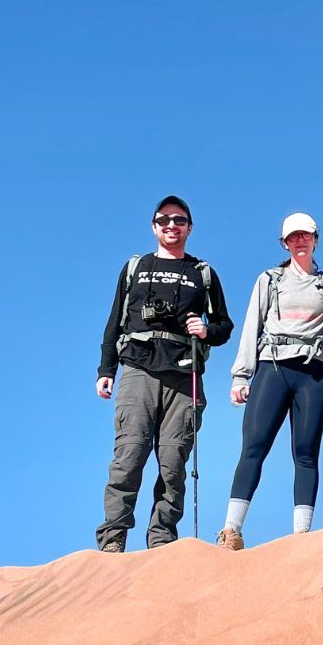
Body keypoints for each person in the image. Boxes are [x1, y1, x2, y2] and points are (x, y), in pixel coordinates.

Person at [218, 212, 323, 550]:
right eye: (292, 237)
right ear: (285, 243)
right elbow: (251, 327)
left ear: (316, 239)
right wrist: (240, 376)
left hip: (314, 372)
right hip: (272, 367)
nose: (299, 241)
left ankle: (301, 535)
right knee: (254, 447)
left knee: (305, 453)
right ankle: (231, 530)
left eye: (305, 236)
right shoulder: (270, 280)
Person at [94, 195, 233, 552]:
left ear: (189, 227)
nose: (172, 226)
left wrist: (205, 331)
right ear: (154, 226)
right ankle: (112, 542)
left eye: (179, 221)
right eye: (164, 220)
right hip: (138, 367)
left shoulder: (202, 273)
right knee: (129, 456)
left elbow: (224, 326)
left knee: (173, 464)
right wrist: (106, 369)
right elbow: (114, 322)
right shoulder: (134, 268)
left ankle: (162, 543)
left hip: (184, 374)